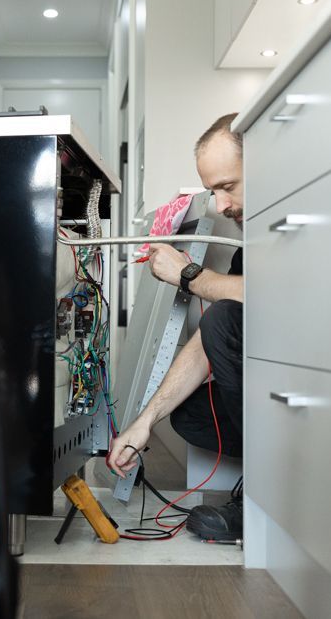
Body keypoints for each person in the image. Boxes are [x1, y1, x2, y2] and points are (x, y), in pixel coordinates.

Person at [107, 112, 245, 541]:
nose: (221, 206)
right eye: (213, 191)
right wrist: (145, 422)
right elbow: (208, 343)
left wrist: (189, 275)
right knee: (187, 413)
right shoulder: (251, 242)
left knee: (224, 315)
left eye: (228, 186)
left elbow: (278, 294)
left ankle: (272, 494)